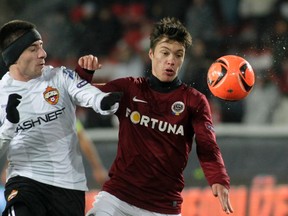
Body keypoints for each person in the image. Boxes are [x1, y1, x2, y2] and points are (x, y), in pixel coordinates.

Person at [77, 17, 233, 215]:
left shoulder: (194, 101)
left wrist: (218, 178)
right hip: (117, 198)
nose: (171, 60)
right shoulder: (129, 88)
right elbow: (82, 94)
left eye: (178, 54)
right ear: (151, 54)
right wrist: (84, 73)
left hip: (164, 207)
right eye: (165, 52)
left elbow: (207, 146)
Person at [0, 19, 122, 216]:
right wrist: (9, 126)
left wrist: (105, 102)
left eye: (41, 46)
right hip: (25, 181)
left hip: (69, 186)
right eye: (33, 48)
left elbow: (89, 94)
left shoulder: (60, 77)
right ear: (15, 55)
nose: (43, 54)